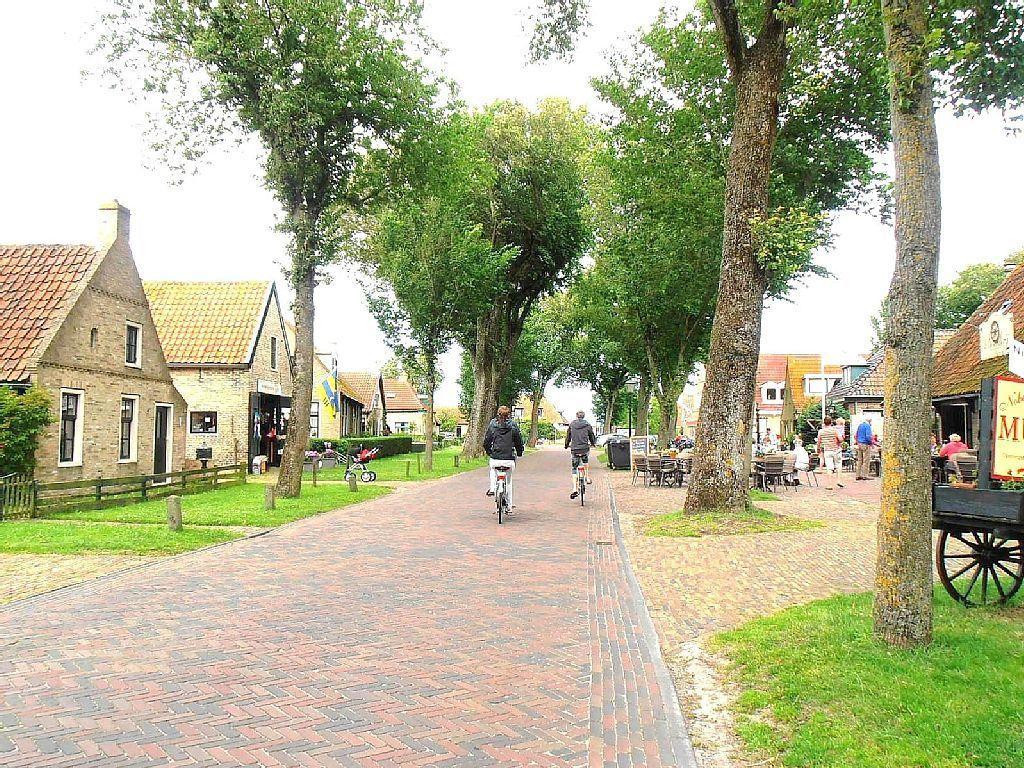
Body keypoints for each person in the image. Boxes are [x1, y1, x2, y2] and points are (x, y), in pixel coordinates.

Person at [483, 406, 524, 507]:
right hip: (509, 459)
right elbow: (519, 442)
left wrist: (489, 451)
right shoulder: (513, 426)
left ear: (498, 414)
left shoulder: (493, 425)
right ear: (509, 415)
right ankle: (509, 506)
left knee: (492, 470)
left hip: (495, 457)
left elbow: (487, 440)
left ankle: (492, 488)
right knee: (508, 481)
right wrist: (519, 452)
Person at [565, 410, 597, 499]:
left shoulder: (572, 425)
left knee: (574, 468)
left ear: (576, 416)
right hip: (584, 448)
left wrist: (566, 445)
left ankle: (575, 488)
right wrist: (593, 443)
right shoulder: (588, 425)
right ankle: (586, 477)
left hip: (574, 449)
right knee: (585, 461)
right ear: (584, 416)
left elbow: (568, 436)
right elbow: (591, 436)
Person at [817, 416, 844, 488]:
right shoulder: (835, 430)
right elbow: (841, 439)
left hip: (827, 450)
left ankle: (830, 484)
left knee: (829, 467)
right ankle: (839, 481)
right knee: (838, 465)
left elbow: (819, 442)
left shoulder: (821, 431)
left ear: (824, 422)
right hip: (836, 450)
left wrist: (818, 449)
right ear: (831, 422)